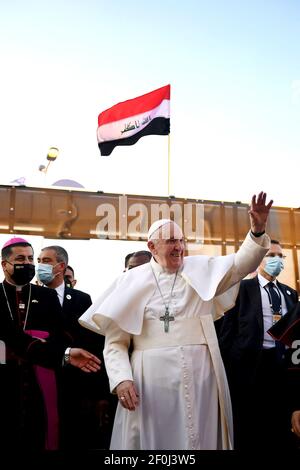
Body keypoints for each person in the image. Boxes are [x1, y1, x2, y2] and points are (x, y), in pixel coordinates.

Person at [79, 192, 272, 450]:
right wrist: (121, 378)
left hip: (201, 377)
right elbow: (115, 344)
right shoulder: (130, 282)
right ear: (152, 247)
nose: (179, 247)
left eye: (181, 240)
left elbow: (240, 265)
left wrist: (257, 231)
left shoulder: (202, 270)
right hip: (150, 383)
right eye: (171, 241)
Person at [0, 237, 100, 451]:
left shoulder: (45, 295)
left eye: (29, 258)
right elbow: (7, 334)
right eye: (20, 258)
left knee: (39, 430)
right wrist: (46, 345)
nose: (27, 264)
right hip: (5, 378)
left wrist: (61, 348)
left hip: (41, 378)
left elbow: (63, 334)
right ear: (4, 264)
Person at [218, 239, 298, 449]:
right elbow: (227, 334)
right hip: (248, 369)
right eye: (271, 255)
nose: (277, 260)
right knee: (249, 429)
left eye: (281, 256)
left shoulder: (290, 294)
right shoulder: (241, 289)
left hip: (279, 368)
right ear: (258, 259)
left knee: (278, 428)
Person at [37, 246, 111, 449]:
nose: (39, 265)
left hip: (77, 385)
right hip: (43, 378)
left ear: (61, 266)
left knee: (76, 437)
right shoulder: (31, 297)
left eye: (45, 260)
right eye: (38, 260)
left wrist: (99, 394)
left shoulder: (82, 299)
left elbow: (94, 345)